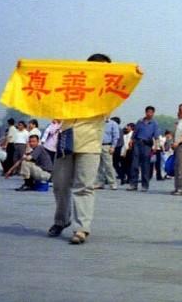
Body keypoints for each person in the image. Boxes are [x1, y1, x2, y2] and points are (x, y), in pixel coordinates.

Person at [47, 53, 115, 244]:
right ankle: (61, 220)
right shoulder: (73, 84)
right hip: (67, 138)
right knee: (60, 184)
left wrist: (134, 74)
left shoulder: (109, 90)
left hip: (90, 142)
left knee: (84, 186)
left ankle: (82, 228)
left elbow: (126, 86)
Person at [127, 106, 159, 192]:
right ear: (145, 112)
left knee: (145, 166)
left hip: (147, 145)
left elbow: (156, 136)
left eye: (151, 112)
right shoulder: (140, 122)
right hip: (137, 143)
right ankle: (133, 184)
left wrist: (156, 146)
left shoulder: (154, 123)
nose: (149, 114)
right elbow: (135, 133)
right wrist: (131, 141)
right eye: (148, 112)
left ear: (153, 113)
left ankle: (145, 185)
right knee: (134, 164)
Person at [95, 116, 119, 190]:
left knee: (108, 165)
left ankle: (112, 183)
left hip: (107, 146)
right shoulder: (98, 122)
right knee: (98, 166)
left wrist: (113, 147)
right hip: (97, 145)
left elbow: (116, 136)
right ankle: (100, 183)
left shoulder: (113, 124)